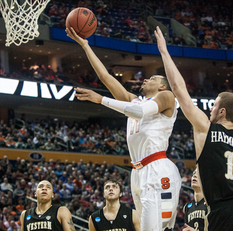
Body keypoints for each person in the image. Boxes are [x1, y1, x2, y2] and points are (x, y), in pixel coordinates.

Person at [66, 27, 181, 231]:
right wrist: (85, 45)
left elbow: (139, 112)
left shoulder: (167, 97)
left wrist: (101, 99)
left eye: (152, 79)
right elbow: (105, 77)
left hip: (157, 169)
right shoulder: (135, 100)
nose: (146, 79)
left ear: (163, 86)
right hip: (138, 171)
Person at [154, 26, 233, 231]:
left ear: (222, 111)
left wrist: (164, 51)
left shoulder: (205, 128)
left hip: (224, 212)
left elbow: (179, 89)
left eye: (214, 105)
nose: (210, 108)